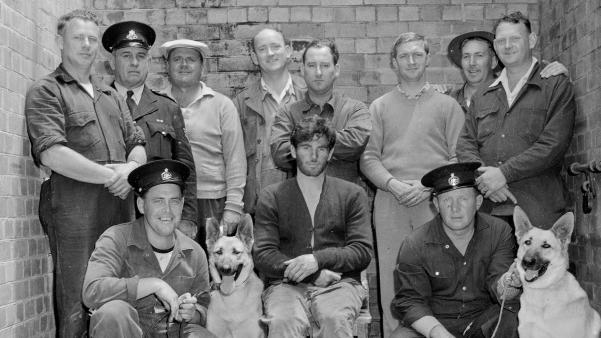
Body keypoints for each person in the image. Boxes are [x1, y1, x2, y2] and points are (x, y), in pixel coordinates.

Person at [24, 9, 146, 337]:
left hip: (120, 214)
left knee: (120, 297)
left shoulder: (112, 96)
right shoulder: (46, 90)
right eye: (79, 37)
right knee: (77, 301)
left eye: (92, 38)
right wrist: (113, 177)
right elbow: (53, 154)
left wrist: (132, 169)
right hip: (73, 214)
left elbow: (137, 143)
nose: (87, 44)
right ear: (60, 42)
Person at [359, 32, 465, 337]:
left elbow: (458, 156)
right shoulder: (379, 107)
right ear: (394, 62)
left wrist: (428, 185)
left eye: (417, 54)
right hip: (391, 201)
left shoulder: (447, 106)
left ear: (428, 58)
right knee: (394, 274)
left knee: (440, 272)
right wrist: (393, 184)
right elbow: (368, 158)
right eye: (404, 56)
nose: (411, 61)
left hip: (435, 200)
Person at [254, 116, 373, 338]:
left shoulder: (352, 194)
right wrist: (312, 274)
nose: (314, 155)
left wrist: (318, 259)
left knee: (333, 319)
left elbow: (362, 251)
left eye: (321, 148)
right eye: (306, 147)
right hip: (285, 285)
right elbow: (264, 254)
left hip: (341, 283)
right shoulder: (271, 196)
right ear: (292, 150)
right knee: (283, 321)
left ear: (330, 152)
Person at [456, 12, 576, 227]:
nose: (507, 46)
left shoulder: (554, 85)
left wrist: (503, 174)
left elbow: (553, 144)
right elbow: (466, 144)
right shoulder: (483, 94)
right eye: (501, 41)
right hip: (489, 212)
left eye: (515, 39)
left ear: (531, 40)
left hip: (537, 212)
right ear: (495, 45)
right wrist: (485, 181)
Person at [83, 159, 215, 338]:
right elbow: (92, 291)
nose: (167, 210)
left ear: (182, 204)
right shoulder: (116, 239)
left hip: (175, 334)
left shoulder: (195, 252)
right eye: (158, 201)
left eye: (174, 201)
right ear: (141, 205)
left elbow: (204, 308)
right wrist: (153, 285)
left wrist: (191, 312)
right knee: (113, 312)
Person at [391, 162, 521, 338]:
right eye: (447, 200)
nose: (455, 208)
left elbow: (499, 283)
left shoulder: (498, 232)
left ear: (478, 202)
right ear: (436, 204)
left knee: (513, 319)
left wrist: (510, 283)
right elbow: (410, 301)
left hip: (483, 323)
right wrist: (438, 334)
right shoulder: (415, 243)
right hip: (435, 325)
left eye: (463, 199)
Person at [102, 21, 198, 238]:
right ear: (112, 61)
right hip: (108, 214)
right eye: (126, 55)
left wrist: (188, 218)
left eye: (141, 56)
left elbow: (186, 168)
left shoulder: (168, 107)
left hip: (157, 219)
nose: (134, 62)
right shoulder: (96, 103)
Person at [159, 39, 246, 249]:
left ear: (202, 66)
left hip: (212, 202)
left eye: (191, 59)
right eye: (177, 59)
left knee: (215, 268)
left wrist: (233, 207)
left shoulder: (222, 105)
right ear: (167, 66)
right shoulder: (156, 103)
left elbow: (235, 158)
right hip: (169, 200)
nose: (184, 64)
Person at [270, 39, 370, 185]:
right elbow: (280, 154)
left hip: (343, 202)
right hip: (299, 202)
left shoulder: (355, 110)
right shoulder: (287, 113)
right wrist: (333, 144)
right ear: (302, 70)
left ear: (336, 70)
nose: (318, 72)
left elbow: (356, 144)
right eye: (311, 65)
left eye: (325, 65)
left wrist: (302, 143)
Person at [234, 28, 306, 216]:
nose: (270, 53)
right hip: (259, 207)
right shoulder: (241, 103)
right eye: (262, 49)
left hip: (303, 203)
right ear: (254, 57)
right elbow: (234, 159)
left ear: (288, 50)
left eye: (276, 47)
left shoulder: (309, 95)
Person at [446, 30, 568, 112]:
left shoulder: (514, 93)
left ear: (493, 61)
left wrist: (560, 79)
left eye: (479, 55)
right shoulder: (448, 100)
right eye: (466, 56)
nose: (472, 63)